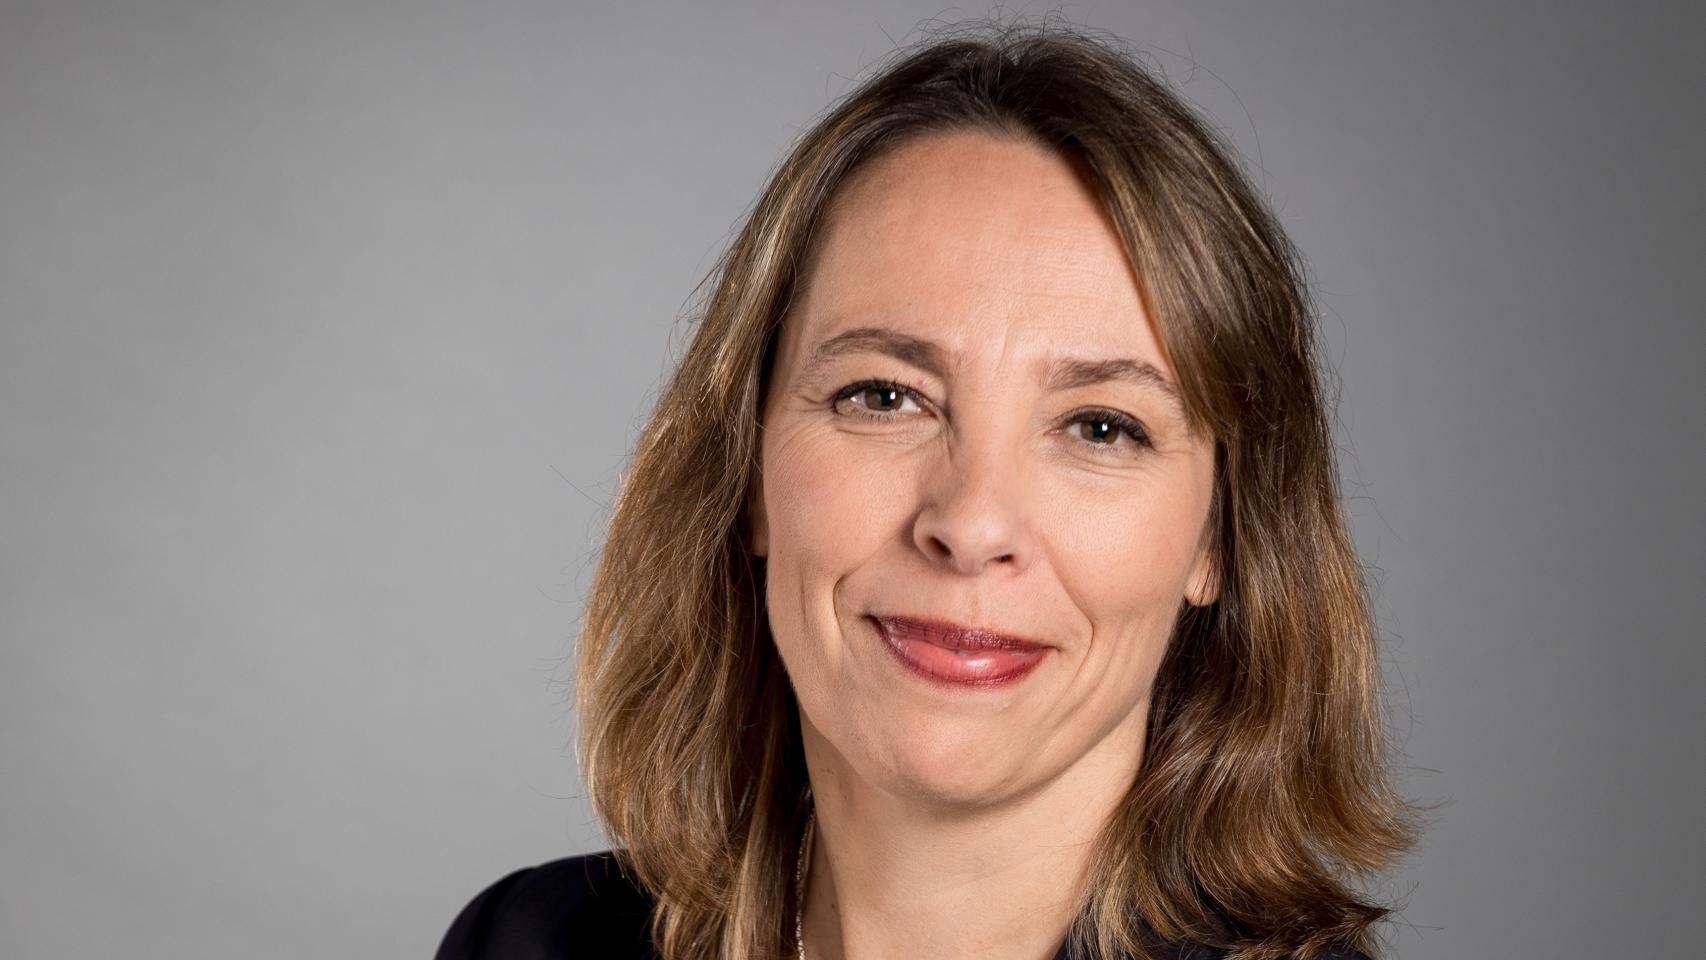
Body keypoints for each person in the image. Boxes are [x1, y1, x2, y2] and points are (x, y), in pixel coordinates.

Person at [435, 18, 1422, 960]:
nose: (973, 523)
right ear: (748, 469)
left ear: (1220, 535)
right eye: (884, 397)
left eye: (1099, 426)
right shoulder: (525, 942)